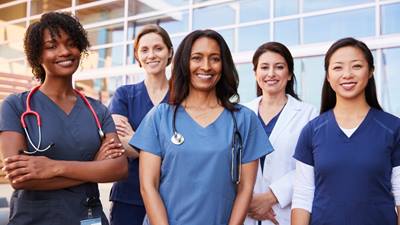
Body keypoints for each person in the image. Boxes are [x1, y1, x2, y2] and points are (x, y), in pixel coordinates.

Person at [129, 29, 273, 225]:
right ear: (184, 63)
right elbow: (148, 186)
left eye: (214, 59)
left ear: (223, 65)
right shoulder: (160, 117)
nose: (206, 66)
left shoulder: (243, 120)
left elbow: (245, 188)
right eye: (197, 58)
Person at [0, 12, 128, 225]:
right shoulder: (16, 106)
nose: (65, 52)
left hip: (88, 217)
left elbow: (119, 168)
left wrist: (53, 167)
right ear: (38, 56)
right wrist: (94, 168)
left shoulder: (98, 110)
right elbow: (20, 178)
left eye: (71, 44)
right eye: (52, 46)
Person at [291, 37, 400, 225]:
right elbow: (303, 197)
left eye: (356, 66)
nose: (347, 74)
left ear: (371, 71)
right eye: (338, 67)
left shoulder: (393, 128)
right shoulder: (312, 131)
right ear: (328, 76)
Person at [244, 42, 317, 225]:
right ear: (255, 73)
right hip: (245, 212)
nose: (271, 74)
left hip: (285, 213)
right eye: (264, 67)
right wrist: (250, 202)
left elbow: (311, 166)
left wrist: (270, 197)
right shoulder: (240, 114)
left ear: (290, 74)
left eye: (279, 67)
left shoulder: (308, 114)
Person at [108, 24, 173, 225]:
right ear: (137, 56)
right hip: (129, 197)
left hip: (172, 196)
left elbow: (188, 149)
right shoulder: (124, 95)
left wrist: (135, 138)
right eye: (144, 50)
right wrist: (163, 147)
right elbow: (116, 144)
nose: (151, 55)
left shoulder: (183, 97)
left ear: (169, 52)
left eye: (158, 48)